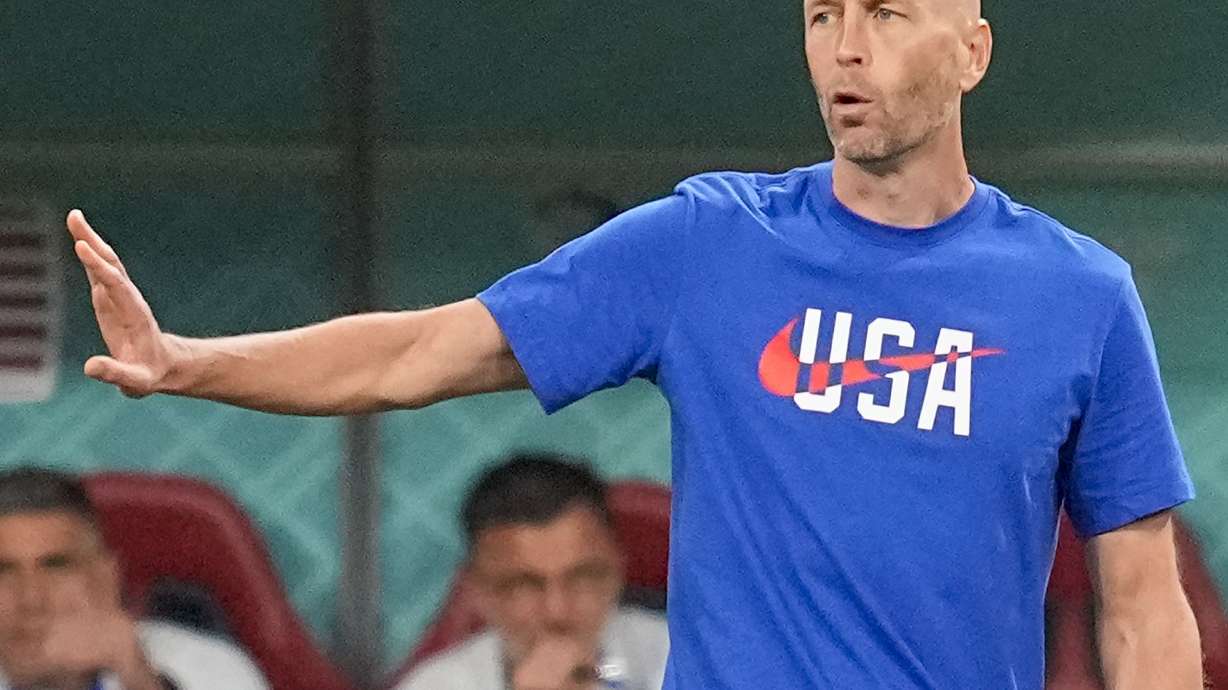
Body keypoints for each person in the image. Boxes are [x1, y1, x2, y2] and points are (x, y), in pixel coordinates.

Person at [64, 0, 1201, 687]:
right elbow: (423, 351)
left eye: (885, 14)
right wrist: (192, 363)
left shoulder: (1079, 296)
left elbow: (1143, 606)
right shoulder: (709, 241)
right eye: (819, 17)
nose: (844, 50)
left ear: (973, 51)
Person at [396, 453, 668, 690]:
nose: (557, 612)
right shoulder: (435, 685)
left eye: (583, 577)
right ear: (478, 589)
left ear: (618, 567)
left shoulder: (677, 658)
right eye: (524, 585)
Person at [0, 467, 270, 690]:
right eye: (4, 571)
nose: (31, 599)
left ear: (106, 580)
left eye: (56, 567)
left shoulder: (207, 668)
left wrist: (139, 680)